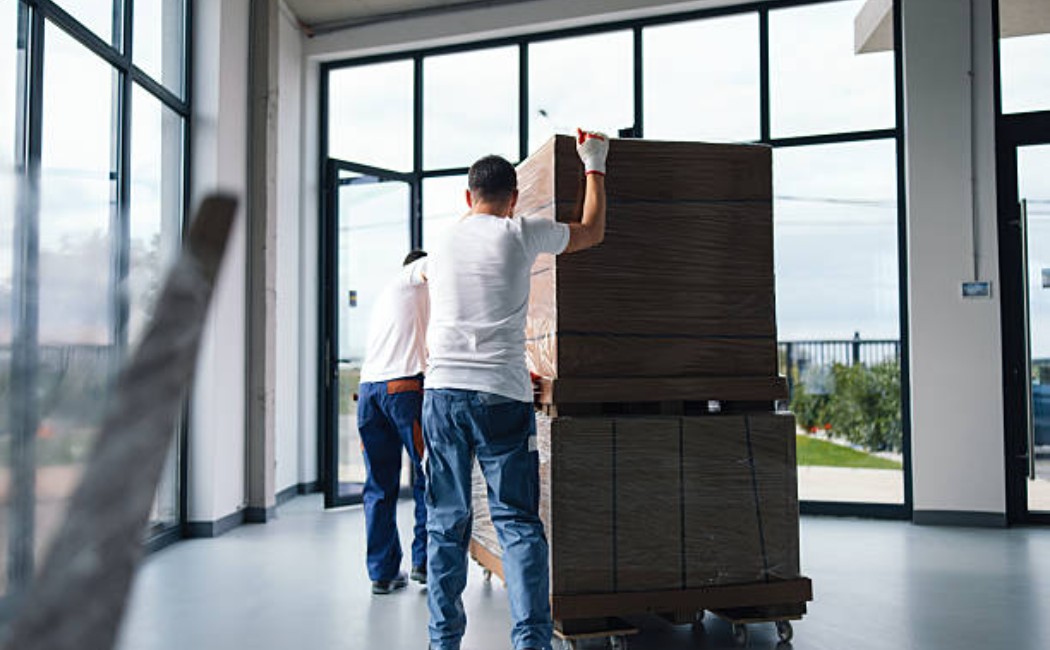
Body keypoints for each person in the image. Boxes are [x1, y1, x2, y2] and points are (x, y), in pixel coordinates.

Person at [421, 130, 609, 650]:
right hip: (501, 397)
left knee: (445, 524)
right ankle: (531, 643)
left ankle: (443, 642)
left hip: (441, 396)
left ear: (466, 198)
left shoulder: (441, 243)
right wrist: (594, 161)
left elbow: (467, 228)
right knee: (518, 523)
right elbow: (592, 231)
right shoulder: (520, 233)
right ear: (515, 199)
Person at [356, 249, 430, 595]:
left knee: (378, 485)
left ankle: (382, 574)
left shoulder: (388, 295)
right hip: (402, 390)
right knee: (430, 476)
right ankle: (425, 562)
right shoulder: (422, 287)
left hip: (369, 391)